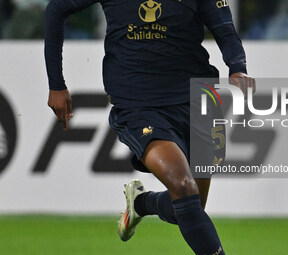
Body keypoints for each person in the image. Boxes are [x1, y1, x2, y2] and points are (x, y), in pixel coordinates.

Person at [44, 0, 255, 254]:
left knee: (190, 207)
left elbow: (223, 26)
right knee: (182, 186)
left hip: (198, 98)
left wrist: (237, 68)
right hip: (139, 102)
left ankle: (141, 203)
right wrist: (56, 83)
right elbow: (57, 8)